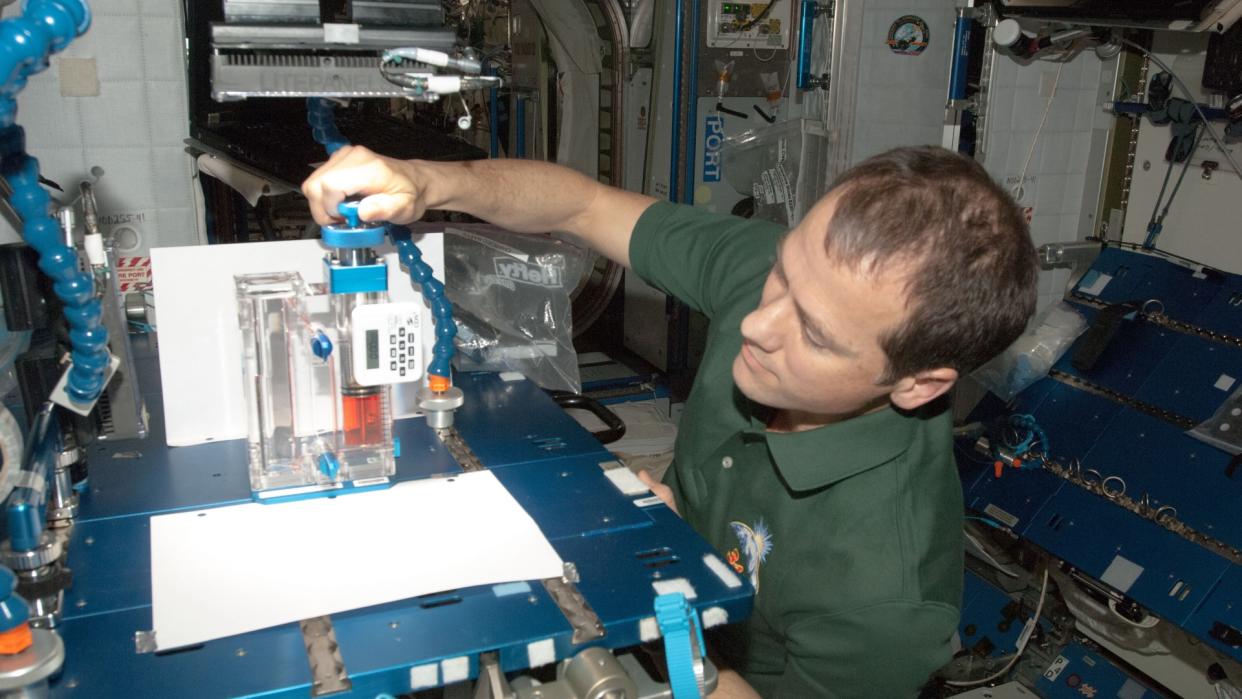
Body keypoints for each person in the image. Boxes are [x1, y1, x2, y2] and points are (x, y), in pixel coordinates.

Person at [302, 145, 1039, 697]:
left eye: (814, 336)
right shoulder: (812, 281)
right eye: (781, 269)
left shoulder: (887, 591)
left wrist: (661, 588)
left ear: (916, 384)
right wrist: (432, 181)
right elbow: (580, 206)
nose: (757, 321)